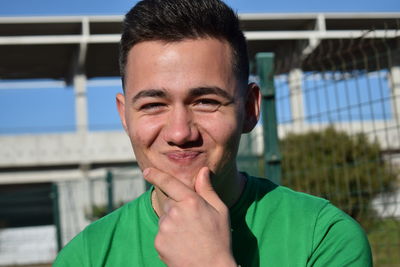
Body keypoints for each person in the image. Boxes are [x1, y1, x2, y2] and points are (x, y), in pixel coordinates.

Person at [54, 0, 372, 266]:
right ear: (125, 116)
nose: (180, 132)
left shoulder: (325, 238)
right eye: (153, 104)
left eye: (206, 101)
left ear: (250, 109)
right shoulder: (84, 257)